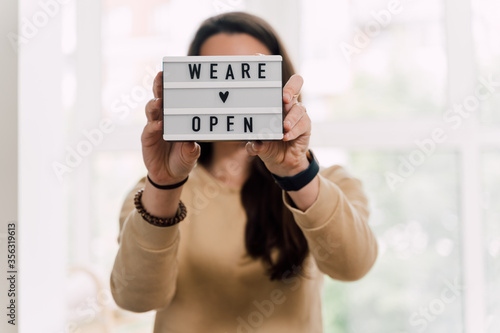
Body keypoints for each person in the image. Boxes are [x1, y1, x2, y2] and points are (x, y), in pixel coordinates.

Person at [110, 12, 377, 333]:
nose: (232, 92)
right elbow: (135, 298)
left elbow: (354, 266)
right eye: (217, 74)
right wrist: (164, 185)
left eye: (248, 74)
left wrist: (295, 172)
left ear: (280, 86)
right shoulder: (151, 194)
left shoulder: (328, 184)